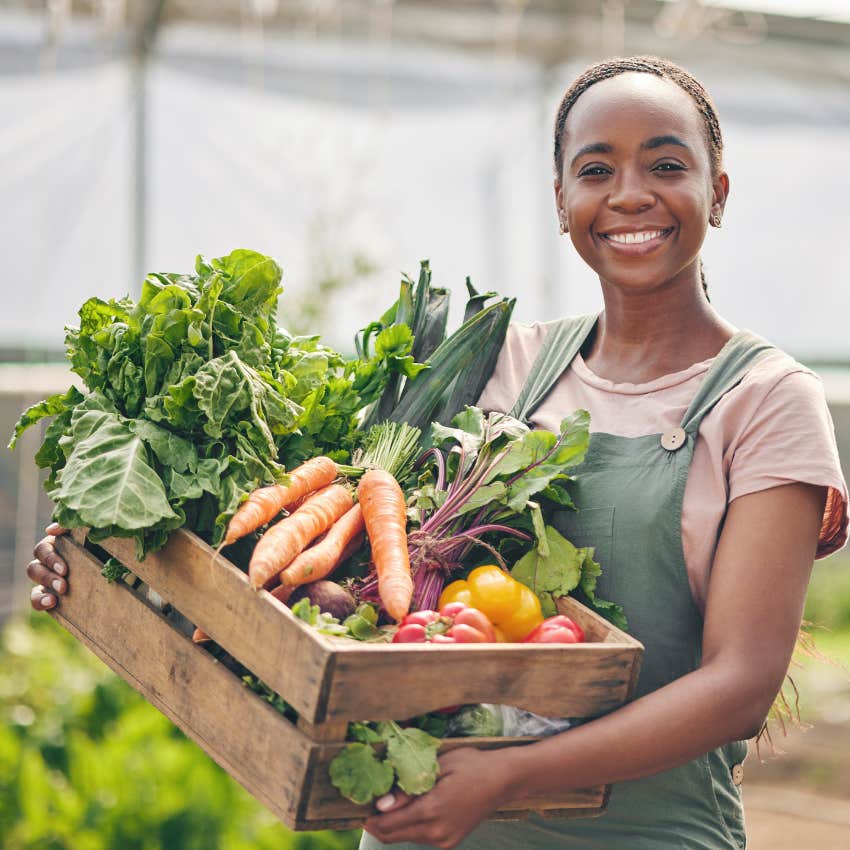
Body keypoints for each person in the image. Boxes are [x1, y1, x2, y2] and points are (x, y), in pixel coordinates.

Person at [27, 55, 849, 850]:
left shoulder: (767, 401)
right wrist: (119, 561)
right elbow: (334, 566)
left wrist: (509, 777)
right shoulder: (505, 364)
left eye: (666, 164)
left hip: (645, 834)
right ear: (561, 201)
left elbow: (740, 686)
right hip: (423, 821)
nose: (630, 194)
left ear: (719, 192)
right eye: (595, 171)